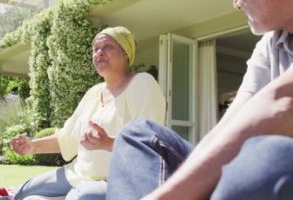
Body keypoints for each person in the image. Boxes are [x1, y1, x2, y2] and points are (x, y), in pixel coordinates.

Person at [106, 0, 293, 199]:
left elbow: (280, 105)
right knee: (138, 134)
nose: (236, 4)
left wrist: (166, 196)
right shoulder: (270, 43)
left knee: (270, 156)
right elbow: (230, 125)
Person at [11, 26, 166, 200]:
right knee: (22, 192)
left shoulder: (142, 84)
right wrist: (32, 146)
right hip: (78, 175)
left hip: (119, 180)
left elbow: (148, 143)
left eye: (107, 47)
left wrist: (107, 143)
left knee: (83, 197)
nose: (99, 53)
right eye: (95, 49)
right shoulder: (93, 93)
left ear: (126, 54)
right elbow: (66, 138)